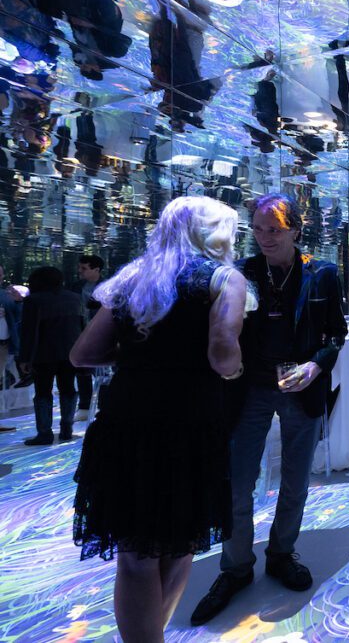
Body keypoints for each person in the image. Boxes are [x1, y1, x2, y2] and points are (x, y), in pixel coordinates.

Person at [70, 196, 246, 641]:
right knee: (182, 540)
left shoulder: (131, 279)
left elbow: (83, 354)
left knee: (136, 554)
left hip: (127, 422)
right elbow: (222, 354)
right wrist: (237, 371)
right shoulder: (223, 279)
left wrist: (139, 360)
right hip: (190, 424)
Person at [191, 193, 348, 626]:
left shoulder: (324, 274)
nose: (264, 238)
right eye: (257, 229)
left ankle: (281, 553)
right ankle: (236, 568)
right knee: (237, 482)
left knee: (296, 480)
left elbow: (337, 332)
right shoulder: (240, 272)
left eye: (273, 230)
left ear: (296, 229)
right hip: (249, 389)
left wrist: (318, 364)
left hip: (302, 388)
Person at [19, 267, 84, 445]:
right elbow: (81, 327)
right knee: (68, 389)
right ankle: (66, 429)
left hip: (43, 354)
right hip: (70, 352)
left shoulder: (33, 301)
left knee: (43, 392)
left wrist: (25, 358)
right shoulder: (74, 298)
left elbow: (29, 331)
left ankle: (45, 433)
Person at [70, 254, 104, 422]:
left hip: (102, 332)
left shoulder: (109, 286)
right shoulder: (76, 286)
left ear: (96, 269)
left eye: (84, 268)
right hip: (80, 330)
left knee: (103, 370)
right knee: (82, 370)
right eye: (80, 267)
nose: (80, 271)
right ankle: (84, 406)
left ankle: (103, 406)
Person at [0, 263, 21, 431]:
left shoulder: (6, 296)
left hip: (3, 345)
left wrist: (19, 301)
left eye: (0, 274)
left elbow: (18, 317)